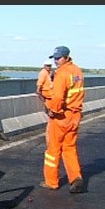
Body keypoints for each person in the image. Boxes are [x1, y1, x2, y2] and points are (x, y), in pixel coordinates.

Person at [39, 45, 85, 193]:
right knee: (69, 148)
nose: (56, 61)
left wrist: (53, 111)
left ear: (66, 57)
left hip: (61, 117)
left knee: (53, 149)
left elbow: (58, 97)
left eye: (58, 58)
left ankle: (51, 182)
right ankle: (76, 177)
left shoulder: (62, 73)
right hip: (75, 115)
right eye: (55, 58)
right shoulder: (77, 71)